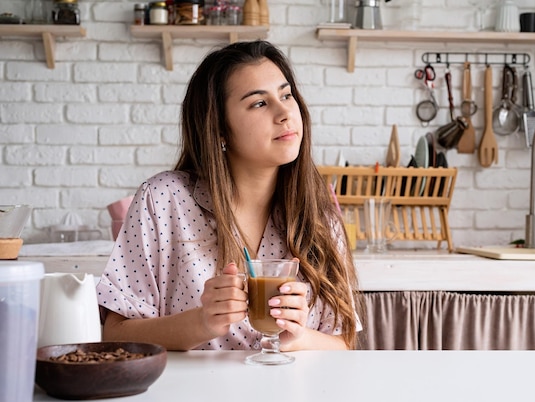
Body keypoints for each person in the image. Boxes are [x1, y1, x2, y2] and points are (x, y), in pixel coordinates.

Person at [96, 40, 361, 351]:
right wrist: (201, 322)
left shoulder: (319, 219)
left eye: (286, 95)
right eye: (259, 103)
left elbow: (342, 345)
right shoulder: (163, 200)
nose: (285, 113)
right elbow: (114, 335)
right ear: (220, 128)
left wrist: (298, 338)